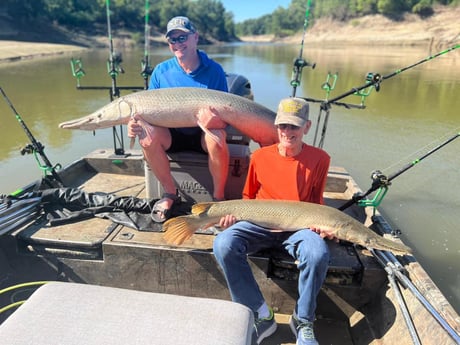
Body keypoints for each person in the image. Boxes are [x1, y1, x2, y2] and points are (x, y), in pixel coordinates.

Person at [213, 97, 334, 345]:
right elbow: (248, 197)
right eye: (283, 126)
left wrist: (323, 227)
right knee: (223, 243)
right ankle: (259, 314)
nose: (287, 132)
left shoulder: (321, 159)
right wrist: (232, 219)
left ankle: (302, 320)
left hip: (299, 227)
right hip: (259, 223)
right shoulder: (259, 157)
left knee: (318, 252)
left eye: (294, 127)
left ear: (307, 127)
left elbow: (316, 202)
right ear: (276, 127)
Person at [128, 16, 229, 222]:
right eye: (172, 40)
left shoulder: (215, 70)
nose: (177, 43)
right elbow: (146, 113)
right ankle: (170, 193)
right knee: (146, 137)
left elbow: (226, 117)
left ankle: (218, 198)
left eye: (182, 37)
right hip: (171, 135)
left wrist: (214, 121)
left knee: (217, 137)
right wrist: (135, 124)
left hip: (202, 135)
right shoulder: (160, 72)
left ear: (195, 37)